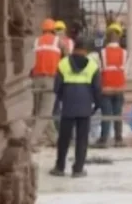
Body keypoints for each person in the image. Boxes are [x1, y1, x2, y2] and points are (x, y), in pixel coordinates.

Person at [50, 40, 101, 178]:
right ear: (85, 51)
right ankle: (78, 169)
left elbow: (57, 87)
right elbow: (97, 89)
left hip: (68, 105)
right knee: (82, 139)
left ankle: (60, 167)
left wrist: (62, 99)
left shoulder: (63, 64)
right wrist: (96, 104)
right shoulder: (92, 66)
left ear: (74, 49)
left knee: (64, 138)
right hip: (85, 107)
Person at [95, 22, 127, 149]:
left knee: (106, 115)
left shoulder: (102, 53)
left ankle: (104, 140)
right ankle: (118, 139)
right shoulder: (124, 53)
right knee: (118, 114)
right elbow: (126, 70)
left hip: (106, 88)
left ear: (107, 36)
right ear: (119, 37)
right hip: (119, 87)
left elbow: (98, 70)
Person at [30, 18, 62, 146]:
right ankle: (31, 141)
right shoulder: (57, 41)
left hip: (36, 79)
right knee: (45, 113)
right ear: (54, 30)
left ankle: (56, 140)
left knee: (40, 112)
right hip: (50, 80)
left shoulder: (36, 41)